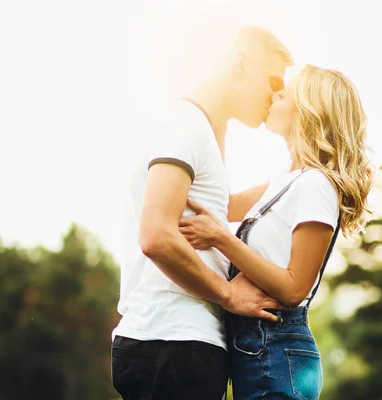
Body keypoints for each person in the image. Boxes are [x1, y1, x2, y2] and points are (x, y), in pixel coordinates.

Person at [111, 27, 294, 400]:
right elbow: (156, 236)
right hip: (174, 343)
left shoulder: (200, 130)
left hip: (180, 346)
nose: (276, 94)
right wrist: (229, 296)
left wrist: (310, 175)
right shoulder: (185, 127)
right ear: (240, 62)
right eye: (272, 79)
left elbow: (222, 206)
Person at [179, 64, 374, 399]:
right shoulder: (286, 182)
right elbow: (219, 203)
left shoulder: (315, 185)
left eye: (284, 93)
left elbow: (294, 287)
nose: (273, 95)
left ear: (309, 110)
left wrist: (221, 239)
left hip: (278, 352)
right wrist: (222, 116)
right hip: (257, 349)